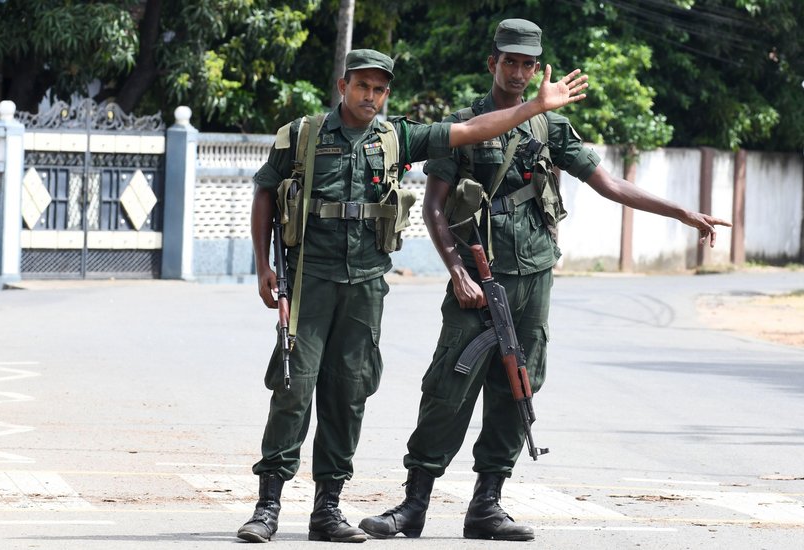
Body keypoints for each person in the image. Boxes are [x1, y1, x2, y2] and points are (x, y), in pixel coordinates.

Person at [359, 19, 732, 542]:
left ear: (537, 68)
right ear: (492, 63)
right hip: (477, 278)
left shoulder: (550, 127)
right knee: (448, 386)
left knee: (518, 385)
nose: (516, 71)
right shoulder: (464, 123)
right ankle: (415, 503)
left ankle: (487, 504)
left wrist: (682, 213)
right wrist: (457, 271)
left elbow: (609, 183)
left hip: (533, 276)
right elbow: (435, 208)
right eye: (508, 61)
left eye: (526, 64)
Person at [237, 48, 589, 544]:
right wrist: (262, 266)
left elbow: (469, 132)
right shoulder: (302, 135)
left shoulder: (397, 137)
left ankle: (326, 510)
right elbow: (266, 194)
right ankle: (268, 507)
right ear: (343, 86)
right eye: (363, 86)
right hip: (307, 281)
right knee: (294, 390)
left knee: (349, 394)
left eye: (380, 89)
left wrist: (535, 108)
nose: (371, 96)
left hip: (365, 286)